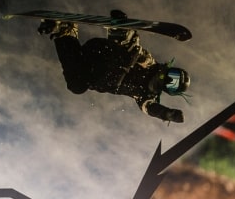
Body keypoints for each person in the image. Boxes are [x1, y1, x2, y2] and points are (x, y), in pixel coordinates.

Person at [39, 10, 189, 123]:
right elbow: (140, 54)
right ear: (170, 69)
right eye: (173, 75)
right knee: (130, 56)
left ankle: (65, 33)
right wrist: (130, 47)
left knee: (77, 86)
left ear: (169, 91)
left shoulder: (146, 95)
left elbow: (149, 108)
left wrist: (166, 114)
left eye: (173, 84)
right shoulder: (151, 65)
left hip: (93, 69)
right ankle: (121, 35)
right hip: (103, 52)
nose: (169, 79)